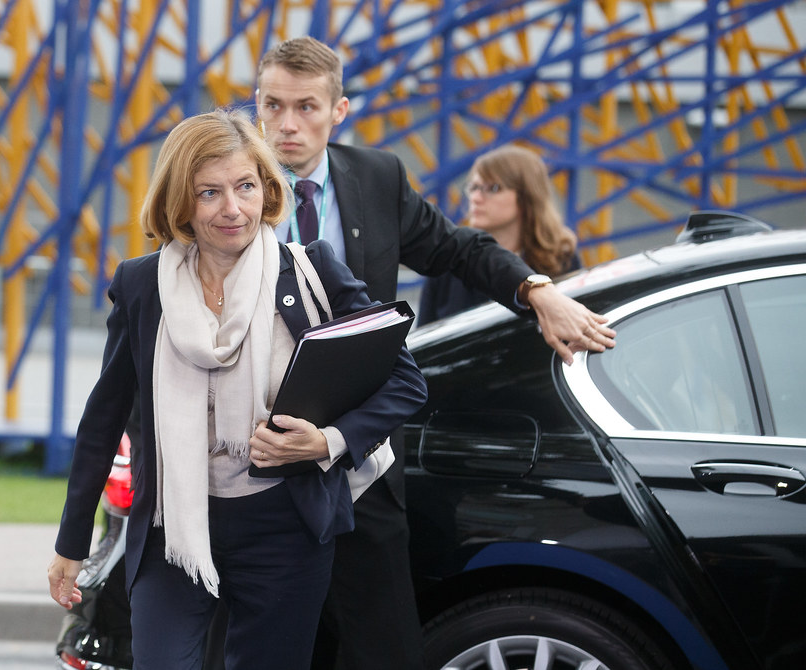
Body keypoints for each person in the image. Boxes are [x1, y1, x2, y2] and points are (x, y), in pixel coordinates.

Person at [254, 36, 616, 669]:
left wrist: (536, 290)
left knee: (382, 649)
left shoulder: (375, 175)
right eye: (273, 105)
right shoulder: (224, 183)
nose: (288, 125)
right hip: (250, 462)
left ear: (340, 110)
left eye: (307, 107)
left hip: (357, 460)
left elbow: (458, 251)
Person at [47, 108, 428, 670]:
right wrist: (70, 542)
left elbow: (405, 379)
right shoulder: (141, 285)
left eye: (246, 186)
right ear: (180, 202)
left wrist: (327, 442)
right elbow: (102, 421)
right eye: (209, 193)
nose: (233, 209)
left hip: (284, 531)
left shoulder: (310, 271)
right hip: (172, 529)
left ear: (267, 189)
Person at [418, 144, 582, 325]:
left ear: (526, 196)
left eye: (493, 188)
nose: (476, 198)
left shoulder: (561, 260)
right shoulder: (447, 261)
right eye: (473, 187)